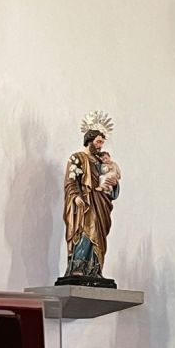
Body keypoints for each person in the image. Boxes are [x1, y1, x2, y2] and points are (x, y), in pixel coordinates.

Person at [60, 120, 120, 283]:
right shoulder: (77, 158)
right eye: (98, 141)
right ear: (89, 140)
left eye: (102, 142)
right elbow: (70, 181)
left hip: (101, 203)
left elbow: (110, 188)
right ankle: (79, 267)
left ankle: (94, 268)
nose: (100, 146)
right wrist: (76, 196)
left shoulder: (102, 162)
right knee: (86, 230)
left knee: (99, 234)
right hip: (85, 203)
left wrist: (114, 185)